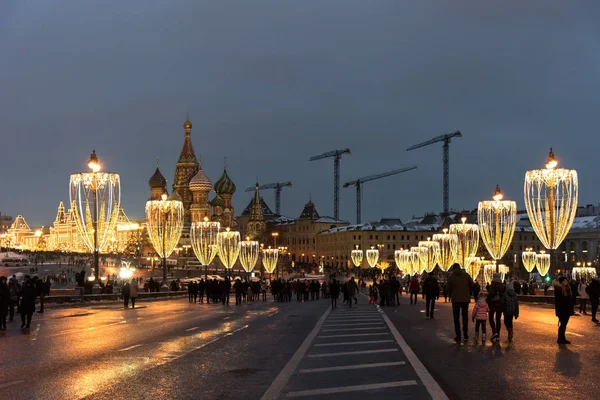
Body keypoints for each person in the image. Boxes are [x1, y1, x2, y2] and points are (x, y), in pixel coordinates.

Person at [447, 264, 473, 342]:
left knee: (456, 317)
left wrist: (450, 294)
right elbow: (471, 285)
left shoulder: (451, 277)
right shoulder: (466, 275)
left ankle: (458, 335)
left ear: (453, 268)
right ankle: (465, 333)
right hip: (465, 299)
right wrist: (468, 292)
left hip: (455, 299)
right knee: (465, 316)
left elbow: (448, 288)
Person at [486, 273, 506, 343]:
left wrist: (487, 302)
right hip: (500, 304)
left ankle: (494, 331)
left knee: (491, 318)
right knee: (498, 319)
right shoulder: (502, 285)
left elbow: (490, 294)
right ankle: (498, 336)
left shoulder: (493, 284)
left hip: (493, 304)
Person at [554, 276, 574, 344]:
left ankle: (562, 338)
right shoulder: (559, 290)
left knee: (564, 325)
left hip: (567, 310)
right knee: (562, 324)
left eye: (566, 281)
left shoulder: (567, 289)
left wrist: (571, 310)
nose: (566, 282)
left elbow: (569, 301)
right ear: (561, 282)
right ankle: (560, 338)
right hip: (562, 310)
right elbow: (559, 302)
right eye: (564, 281)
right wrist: (559, 311)